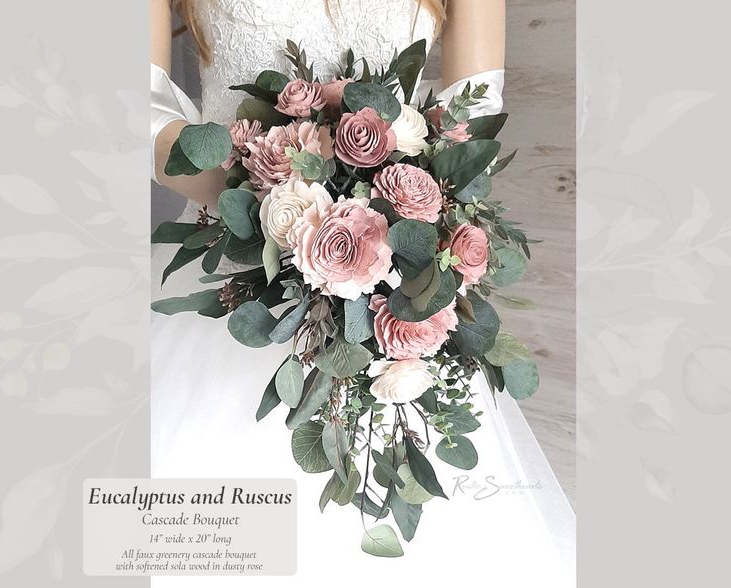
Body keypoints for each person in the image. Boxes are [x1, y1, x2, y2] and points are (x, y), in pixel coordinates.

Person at [150, 1, 575, 585]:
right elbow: (143, 112)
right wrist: (276, 208)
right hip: (232, 269)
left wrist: (387, 211)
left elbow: (473, 116)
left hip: (388, 281)